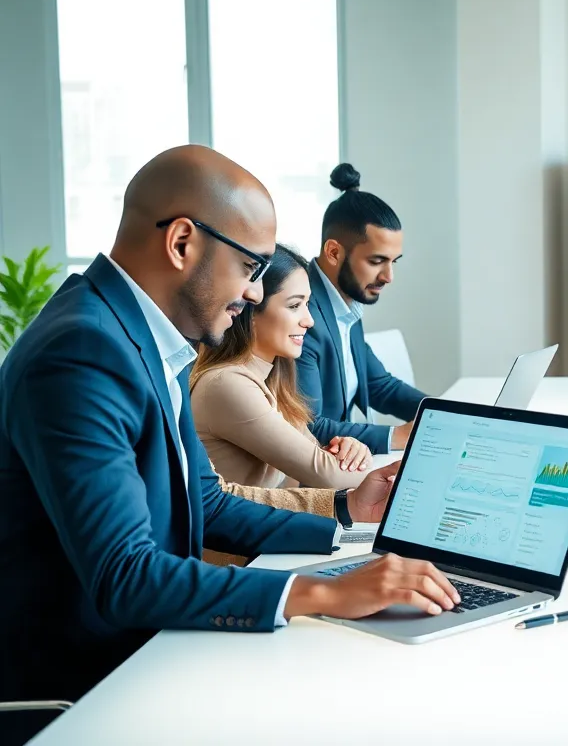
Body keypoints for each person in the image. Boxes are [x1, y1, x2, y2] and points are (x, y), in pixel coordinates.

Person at [0, 146, 460, 725]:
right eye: (250, 268)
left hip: (152, 652)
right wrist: (321, 594)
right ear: (182, 242)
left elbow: (207, 501)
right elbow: (125, 574)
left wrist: (348, 520)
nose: (251, 295)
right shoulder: (82, 353)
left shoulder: (144, 339)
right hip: (92, 690)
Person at [191, 243, 374, 493]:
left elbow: (323, 461)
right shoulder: (228, 384)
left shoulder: (270, 381)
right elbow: (329, 476)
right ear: (251, 310)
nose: (309, 321)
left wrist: (354, 450)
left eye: (307, 304)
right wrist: (363, 464)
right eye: (294, 305)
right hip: (235, 531)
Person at [297, 163, 427, 454]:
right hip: (313, 476)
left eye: (394, 261)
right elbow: (308, 425)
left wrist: (444, 413)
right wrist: (398, 436)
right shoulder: (300, 312)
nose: (388, 277)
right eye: (376, 261)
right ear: (334, 252)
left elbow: (380, 386)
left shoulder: (345, 303)